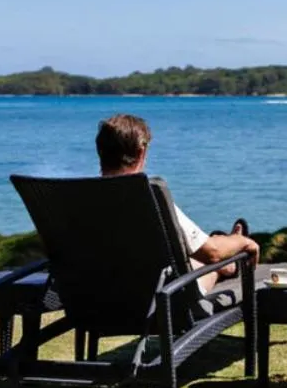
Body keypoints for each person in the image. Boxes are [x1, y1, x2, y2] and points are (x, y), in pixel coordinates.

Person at [95, 113, 259, 294]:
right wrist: (243, 242)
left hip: (95, 302)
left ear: (100, 152)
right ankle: (229, 262)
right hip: (158, 305)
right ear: (142, 152)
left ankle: (227, 263)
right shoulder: (148, 199)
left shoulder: (76, 200)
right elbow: (213, 253)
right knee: (210, 261)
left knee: (190, 260)